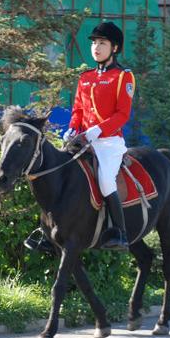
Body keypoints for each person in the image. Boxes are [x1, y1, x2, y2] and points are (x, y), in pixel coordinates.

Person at [25, 21, 134, 252]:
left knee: (105, 181)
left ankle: (120, 233)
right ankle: (45, 232)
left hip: (108, 142)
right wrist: (72, 128)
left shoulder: (123, 77)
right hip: (82, 140)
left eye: (102, 43)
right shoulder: (85, 77)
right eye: (94, 42)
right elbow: (78, 110)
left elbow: (123, 114)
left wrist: (98, 130)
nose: (96, 47)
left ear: (114, 48)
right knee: (56, 172)